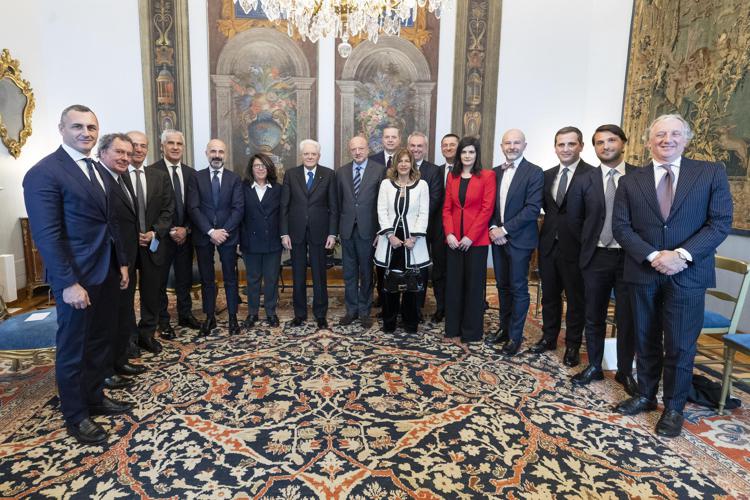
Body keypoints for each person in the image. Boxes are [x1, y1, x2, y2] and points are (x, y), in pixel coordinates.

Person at [613, 114, 732, 437]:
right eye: (660, 134)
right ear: (649, 141)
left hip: (688, 273)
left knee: (680, 345)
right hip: (643, 271)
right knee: (645, 338)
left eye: (675, 134)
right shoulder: (630, 181)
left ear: (686, 139)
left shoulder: (709, 174)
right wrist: (654, 256)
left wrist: (680, 255)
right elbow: (621, 227)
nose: (667, 139)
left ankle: (674, 407)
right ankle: (646, 395)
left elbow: (720, 223)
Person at [23, 104, 131, 445]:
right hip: (77, 279)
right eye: (78, 127)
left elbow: (110, 223)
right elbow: (47, 235)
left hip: (107, 272)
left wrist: (122, 263)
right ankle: (76, 415)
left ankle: (95, 397)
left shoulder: (97, 170)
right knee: (73, 348)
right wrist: (68, 283)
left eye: (91, 128)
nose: (85, 133)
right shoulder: (44, 172)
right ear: (62, 129)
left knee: (101, 340)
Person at [567, 125, 637, 395]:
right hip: (596, 256)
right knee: (593, 315)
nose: (605, 146)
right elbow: (575, 220)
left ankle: (624, 370)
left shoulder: (639, 176)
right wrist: (587, 245)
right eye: (599, 142)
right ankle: (594, 365)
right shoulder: (586, 179)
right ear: (593, 147)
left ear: (623, 143)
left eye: (611, 140)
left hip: (629, 259)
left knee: (626, 318)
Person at [532, 126, 593, 366]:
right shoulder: (547, 175)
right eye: (561, 144)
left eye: (571, 144)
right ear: (555, 147)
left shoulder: (592, 174)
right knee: (549, 296)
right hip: (548, 245)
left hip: (577, 247)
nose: (565, 149)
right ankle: (548, 337)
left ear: (580, 146)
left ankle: (573, 345)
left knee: (576, 300)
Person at [487, 129, 544, 356]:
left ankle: (515, 337)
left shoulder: (534, 172)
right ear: (502, 146)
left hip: (520, 240)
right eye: (508, 143)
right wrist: (493, 228)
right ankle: (503, 328)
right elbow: (489, 205)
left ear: (524, 145)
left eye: (516, 143)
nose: (512, 147)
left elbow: (532, 209)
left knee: (519, 288)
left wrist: (505, 229)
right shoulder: (494, 173)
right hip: (497, 239)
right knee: (502, 286)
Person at [97, 133, 146, 390]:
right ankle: (105, 370)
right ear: (103, 152)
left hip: (127, 258)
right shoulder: (99, 180)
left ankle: (119, 360)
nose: (126, 157)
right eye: (120, 152)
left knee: (123, 313)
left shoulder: (123, 177)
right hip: (110, 261)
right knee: (107, 318)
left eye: (128, 154)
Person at [124, 132, 175, 354]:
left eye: (143, 146)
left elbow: (168, 209)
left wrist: (155, 232)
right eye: (134, 145)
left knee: (151, 292)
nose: (139, 149)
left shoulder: (159, 177)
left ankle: (147, 335)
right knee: (124, 294)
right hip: (125, 247)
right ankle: (128, 340)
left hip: (152, 244)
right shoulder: (116, 175)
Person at [188, 139, 244, 336]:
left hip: (228, 236)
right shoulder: (196, 177)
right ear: (206, 153)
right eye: (213, 151)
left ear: (225, 155)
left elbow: (238, 209)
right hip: (204, 236)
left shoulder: (234, 178)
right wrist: (210, 232)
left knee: (230, 278)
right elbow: (193, 208)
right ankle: (209, 316)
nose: (217, 155)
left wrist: (223, 231)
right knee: (207, 279)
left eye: (221, 151)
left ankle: (232, 317)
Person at [443, 136, 496, 344]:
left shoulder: (487, 176)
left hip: (477, 241)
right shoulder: (452, 177)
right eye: (464, 152)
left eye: (471, 152)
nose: (467, 155)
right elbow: (447, 209)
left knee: (473, 286)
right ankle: (452, 329)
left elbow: (487, 209)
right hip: (454, 240)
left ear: (477, 154)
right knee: (454, 285)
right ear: (459, 155)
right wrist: (449, 234)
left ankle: (471, 332)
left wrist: (470, 237)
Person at [148, 129, 201, 337]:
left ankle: (185, 314)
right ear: (162, 146)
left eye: (179, 144)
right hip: (161, 238)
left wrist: (185, 229)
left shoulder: (191, 174)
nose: (175, 147)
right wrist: (168, 230)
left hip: (185, 237)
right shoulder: (151, 172)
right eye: (171, 143)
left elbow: (195, 206)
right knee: (160, 281)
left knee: (184, 278)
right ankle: (163, 321)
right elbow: (151, 208)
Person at [281, 140, 338, 328]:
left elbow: (333, 207)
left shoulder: (328, 174)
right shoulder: (291, 174)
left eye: (313, 154)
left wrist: (332, 233)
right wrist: (284, 233)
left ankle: (320, 314)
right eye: (306, 154)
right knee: (297, 274)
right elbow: (285, 206)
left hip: (320, 232)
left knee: (319, 274)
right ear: (302, 155)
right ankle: (300, 315)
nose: (310, 157)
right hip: (295, 232)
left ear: (318, 156)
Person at [374, 148, 431, 332]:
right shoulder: (385, 184)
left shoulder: (422, 185)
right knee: (389, 284)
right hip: (391, 242)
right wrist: (390, 235)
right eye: (400, 161)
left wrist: (413, 237)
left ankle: (410, 323)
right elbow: (381, 210)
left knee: (411, 285)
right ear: (395, 164)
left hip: (412, 243)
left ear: (412, 164)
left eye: (407, 161)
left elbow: (424, 212)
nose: (404, 164)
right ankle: (389, 323)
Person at [337, 136, 387, 329]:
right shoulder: (341, 172)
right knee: (349, 273)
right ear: (350, 151)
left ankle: (365, 311)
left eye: (361, 148)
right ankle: (351, 310)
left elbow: (383, 204)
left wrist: (380, 231)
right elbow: (337, 203)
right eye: (354, 149)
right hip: (347, 230)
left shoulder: (380, 171)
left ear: (368, 149)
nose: (357, 152)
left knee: (366, 272)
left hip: (369, 231)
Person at [240, 153, 283, 328]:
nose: (260, 169)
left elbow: (283, 215)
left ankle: (271, 312)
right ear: (251, 168)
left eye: (264, 165)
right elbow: (239, 215)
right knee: (253, 279)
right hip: (250, 242)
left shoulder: (278, 189)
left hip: (272, 241)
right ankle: (252, 313)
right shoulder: (242, 188)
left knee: (271, 279)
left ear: (269, 168)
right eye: (257, 165)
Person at [407, 132, 443, 320]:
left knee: (423, 269)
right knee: (407, 268)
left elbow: (435, 199)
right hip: (404, 230)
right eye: (412, 145)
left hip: (428, 229)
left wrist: (417, 222)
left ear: (426, 148)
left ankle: (420, 307)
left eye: (419, 146)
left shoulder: (434, 170)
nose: (415, 149)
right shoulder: (401, 167)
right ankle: (407, 305)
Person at [369, 126, 403, 307]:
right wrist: (379, 229)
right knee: (381, 265)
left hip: (402, 224)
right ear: (382, 139)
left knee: (399, 265)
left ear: (399, 139)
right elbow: (372, 199)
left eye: (394, 137)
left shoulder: (406, 161)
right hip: (380, 225)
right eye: (387, 137)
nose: (390, 140)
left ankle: (399, 300)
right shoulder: (371, 161)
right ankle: (382, 298)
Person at [430, 133, 459, 322]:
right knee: (439, 270)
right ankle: (441, 308)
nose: (448, 148)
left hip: (460, 230)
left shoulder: (469, 171)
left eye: (452, 145)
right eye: (445, 145)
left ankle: (456, 307)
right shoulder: (436, 171)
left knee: (457, 271)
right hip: (438, 230)